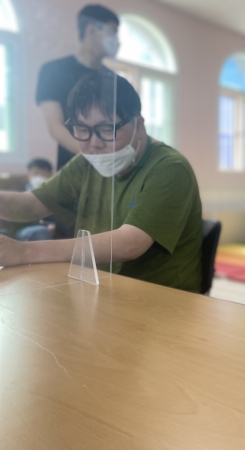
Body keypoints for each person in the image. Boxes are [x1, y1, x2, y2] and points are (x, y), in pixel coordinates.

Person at [0, 73, 203, 293]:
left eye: (107, 130)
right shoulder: (87, 162)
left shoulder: (169, 168)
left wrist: (23, 252)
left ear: (138, 124)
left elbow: (130, 243)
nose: (94, 144)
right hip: (96, 289)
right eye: (82, 130)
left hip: (159, 299)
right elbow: (31, 205)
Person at [36, 4, 120, 171]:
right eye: (112, 31)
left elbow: (120, 125)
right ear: (91, 29)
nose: (117, 39)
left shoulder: (114, 79)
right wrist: (95, 156)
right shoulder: (53, 70)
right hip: (74, 170)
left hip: (111, 168)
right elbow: (56, 127)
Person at [14, 159, 55, 241]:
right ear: (28, 175)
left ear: (51, 175)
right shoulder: (18, 192)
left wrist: (54, 225)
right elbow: (18, 216)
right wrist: (46, 225)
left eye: (43, 174)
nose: (39, 177)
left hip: (53, 227)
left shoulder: (56, 193)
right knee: (41, 231)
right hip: (24, 228)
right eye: (35, 173)